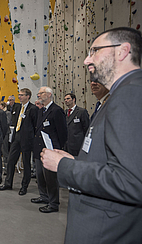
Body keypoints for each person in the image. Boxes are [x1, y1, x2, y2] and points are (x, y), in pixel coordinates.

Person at [41, 27, 142, 243]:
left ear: (122, 51)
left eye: (94, 51)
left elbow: (132, 181)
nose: (87, 60)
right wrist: (74, 161)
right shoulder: (121, 94)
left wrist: (64, 166)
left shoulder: (130, 94)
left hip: (105, 230)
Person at [31, 86, 68, 213]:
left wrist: (57, 150)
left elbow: (63, 133)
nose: (39, 96)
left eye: (41, 93)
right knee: (40, 176)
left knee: (51, 178)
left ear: (49, 95)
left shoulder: (56, 111)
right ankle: (44, 196)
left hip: (51, 151)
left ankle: (53, 203)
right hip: (40, 149)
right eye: (38, 94)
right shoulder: (41, 111)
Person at [0, 88, 38, 195]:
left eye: (22, 95)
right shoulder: (19, 107)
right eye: (19, 95)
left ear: (28, 96)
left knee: (26, 163)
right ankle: (8, 183)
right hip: (17, 137)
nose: (19, 97)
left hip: (27, 140)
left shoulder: (33, 108)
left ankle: (24, 186)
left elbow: (35, 126)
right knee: (11, 160)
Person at [0, 101, 11, 173]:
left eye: (0, 105)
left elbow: (7, 122)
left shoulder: (7, 113)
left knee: (5, 151)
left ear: (3, 106)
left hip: (5, 133)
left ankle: (7, 168)